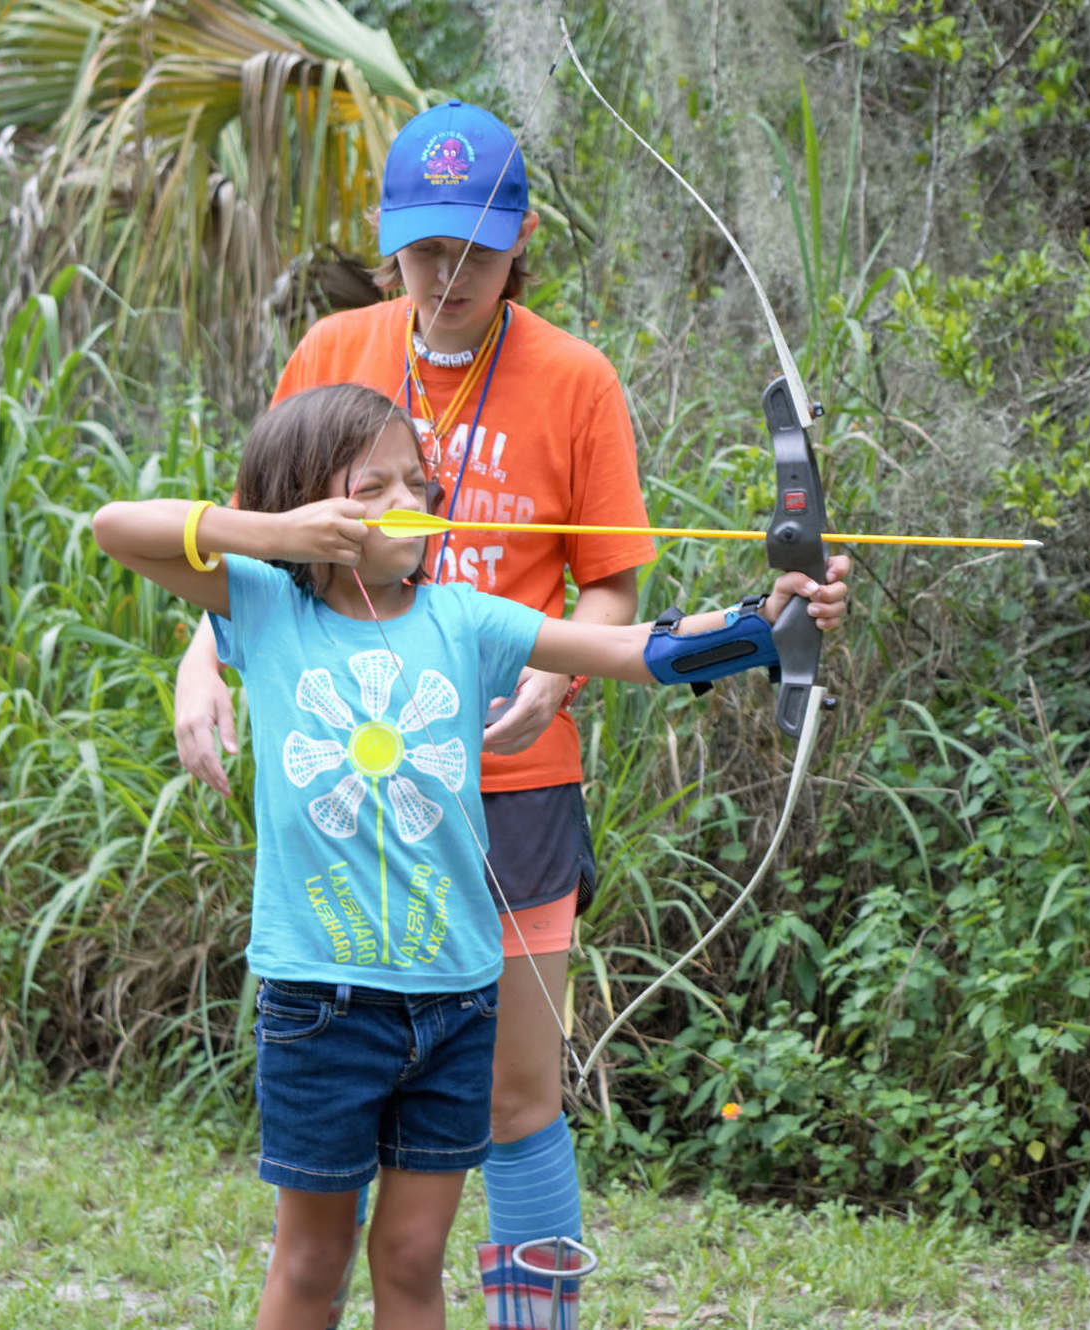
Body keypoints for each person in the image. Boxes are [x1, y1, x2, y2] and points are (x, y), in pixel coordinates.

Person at [94, 383, 850, 1330]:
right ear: (303, 501)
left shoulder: (465, 618)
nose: (409, 499)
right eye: (372, 485)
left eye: (419, 480)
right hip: (321, 1002)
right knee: (312, 1262)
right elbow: (117, 526)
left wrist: (764, 627)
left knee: (412, 1260)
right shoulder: (260, 605)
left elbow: (630, 650)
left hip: (454, 1000)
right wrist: (273, 535)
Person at [169, 99, 704, 1326]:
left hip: (510, 780)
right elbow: (261, 547)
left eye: (477, 247)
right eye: (424, 248)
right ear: (388, 242)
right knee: (336, 1186)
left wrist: (554, 678)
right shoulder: (331, 350)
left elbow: (613, 579)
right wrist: (202, 658)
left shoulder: (575, 376)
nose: (450, 275)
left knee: (514, 1093)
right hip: (356, 799)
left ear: (520, 241)